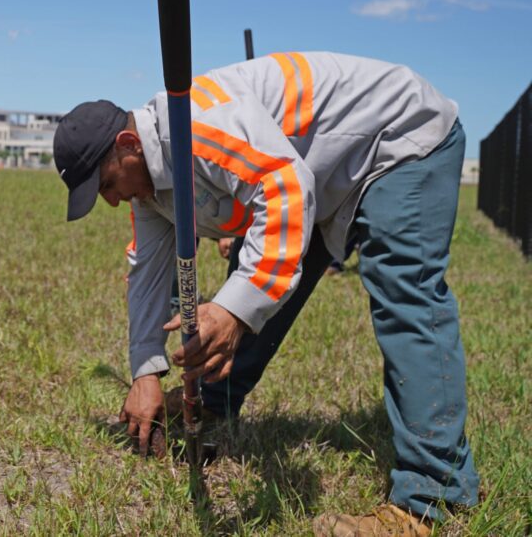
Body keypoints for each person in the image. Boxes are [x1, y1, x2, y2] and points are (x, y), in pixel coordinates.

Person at [53, 52, 479, 536]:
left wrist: (235, 309)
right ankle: (212, 404)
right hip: (322, 172)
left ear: (129, 145)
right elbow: (149, 274)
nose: (111, 201)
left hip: (397, 138)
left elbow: (286, 187)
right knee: (250, 281)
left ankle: (431, 498)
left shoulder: (199, 126)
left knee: (405, 297)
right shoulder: (150, 187)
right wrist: (145, 370)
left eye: (108, 184)